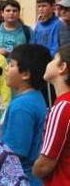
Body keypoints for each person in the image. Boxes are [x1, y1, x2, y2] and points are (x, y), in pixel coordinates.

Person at [0, 43, 50, 185]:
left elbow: (15, 150)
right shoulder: (33, 97)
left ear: (26, 74)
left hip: (21, 178)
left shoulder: (22, 106)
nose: (6, 68)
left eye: (11, 65)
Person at [34, 44, 70, 185]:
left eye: (54, 59)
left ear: (62, 67)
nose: (48, 63)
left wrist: (35, 170)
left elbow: (45, 164)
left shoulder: (63, 107)